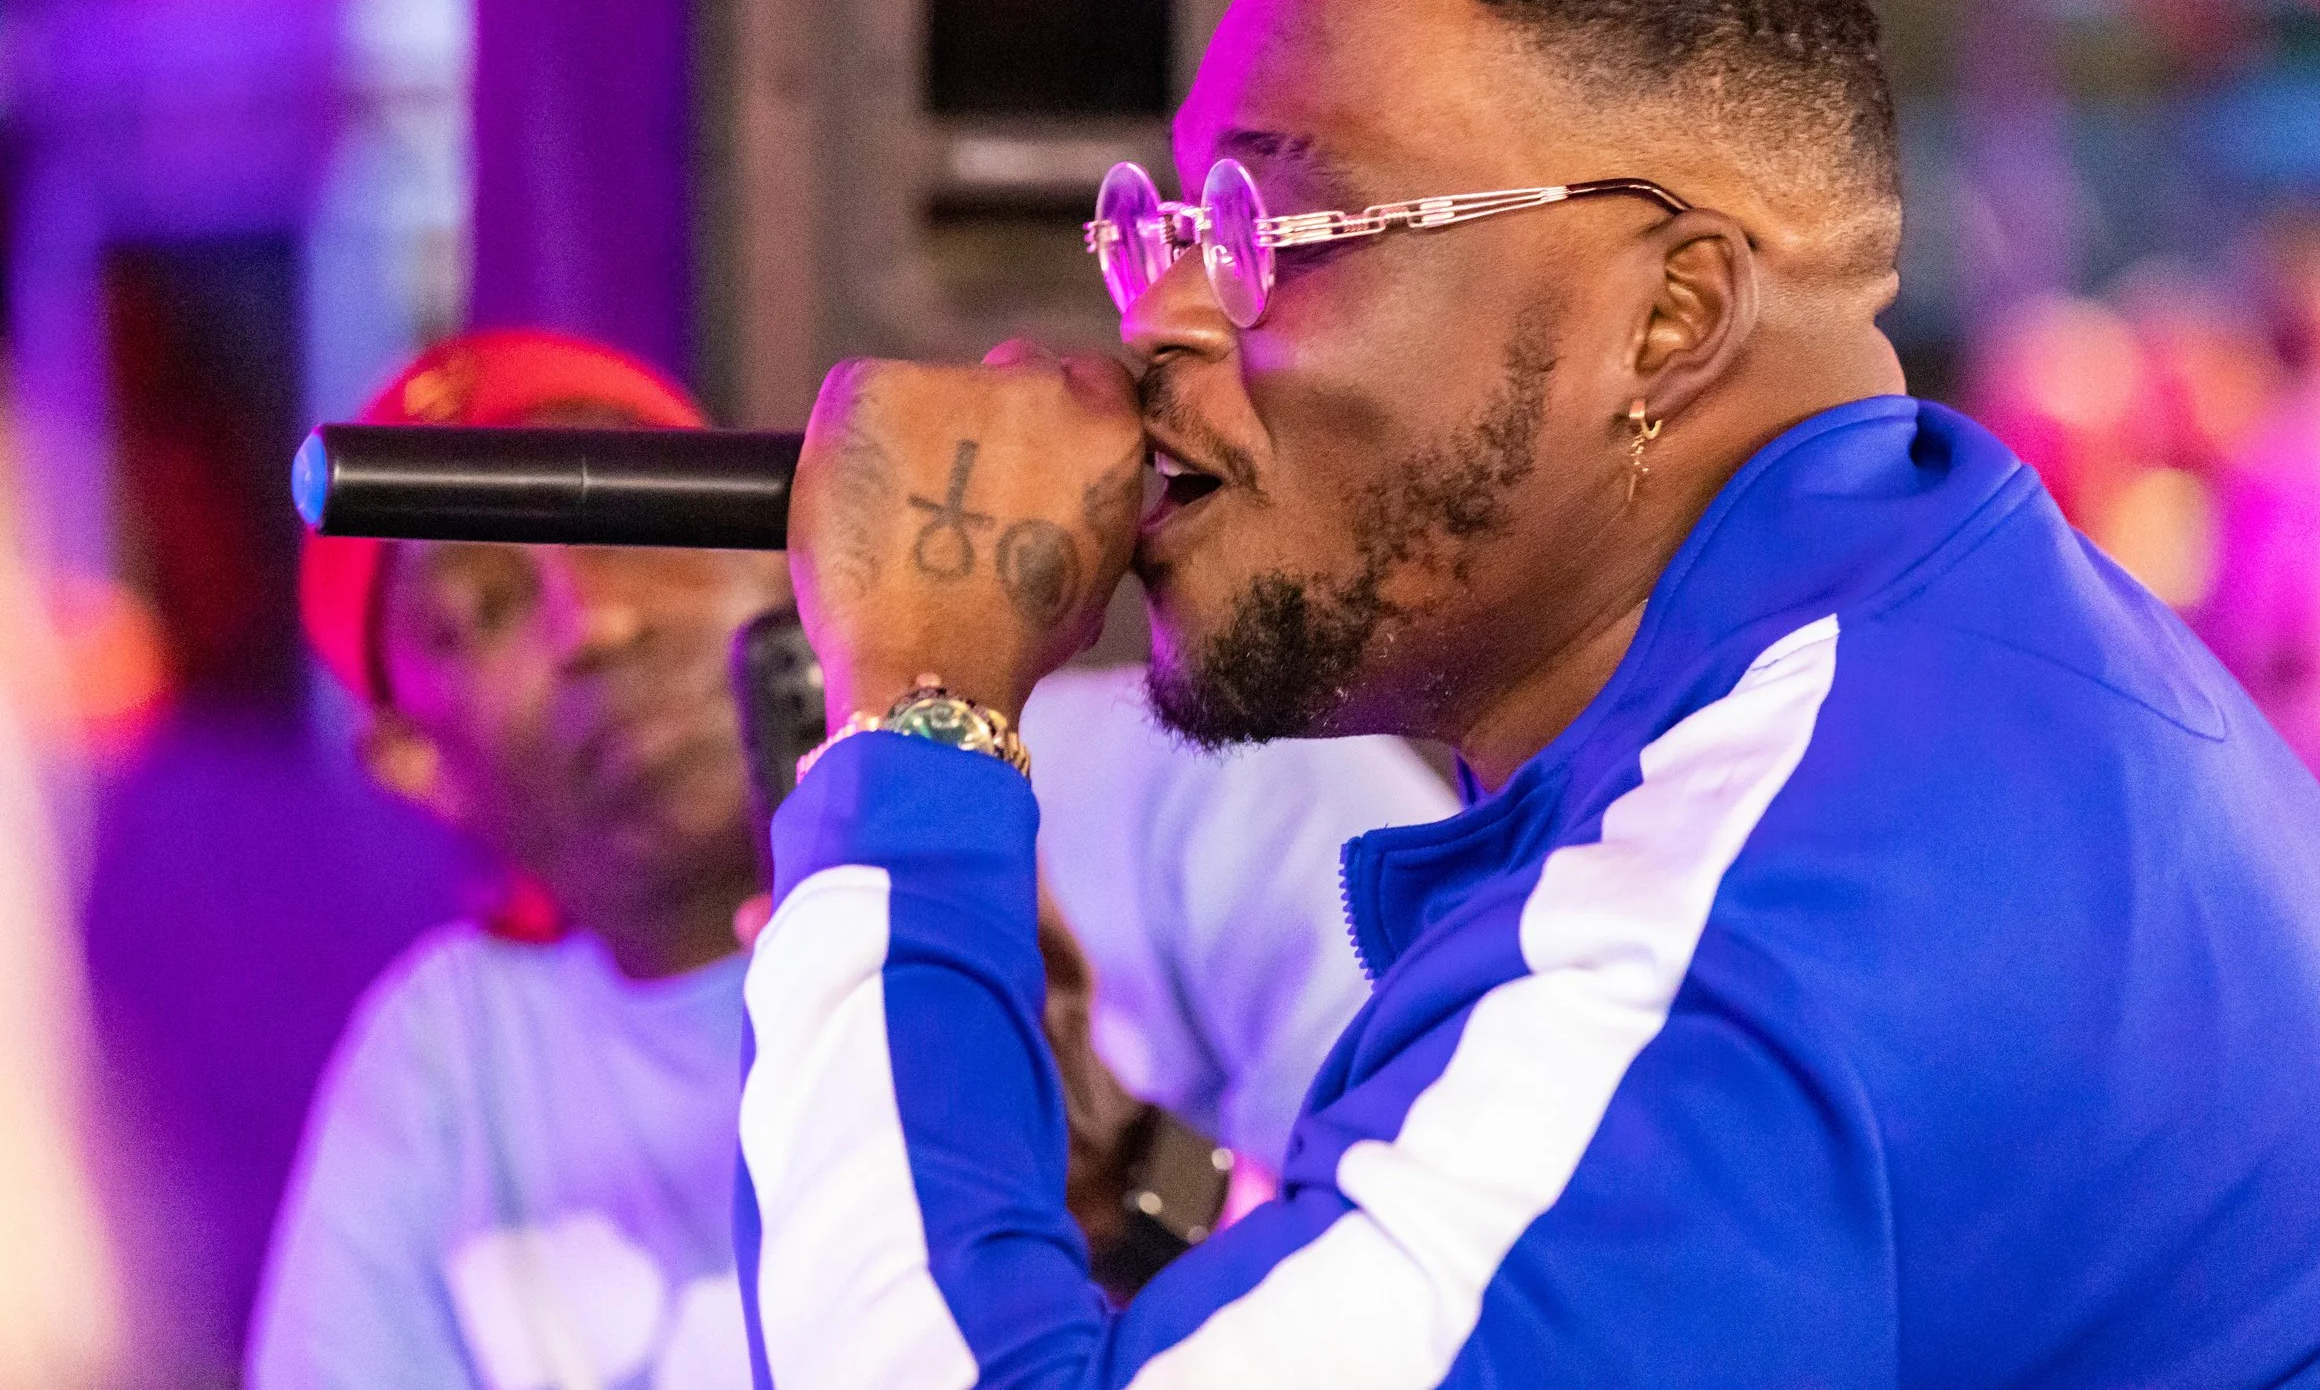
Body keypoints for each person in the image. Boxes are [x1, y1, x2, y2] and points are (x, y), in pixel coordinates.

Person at [741, 0, 2320, 1388]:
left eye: (1281, 229)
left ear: (1668, 319)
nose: (1166, 322)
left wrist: (921, 711)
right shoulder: (1913, 644)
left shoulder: (1775, 894)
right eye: (1178, 225)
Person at [249, 330, 1452, 1390]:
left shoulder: (1202, 774)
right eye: (483, 609)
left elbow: (1466, 1298)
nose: (600, 621)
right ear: (414, 759)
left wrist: (1127, 1176)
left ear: (790, 530)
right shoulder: (447, 1066)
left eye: (635, 525)